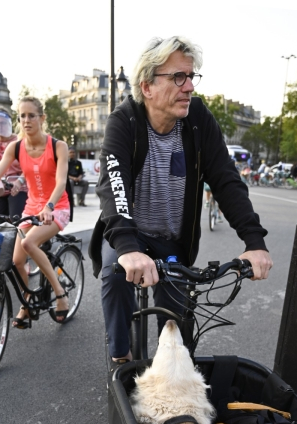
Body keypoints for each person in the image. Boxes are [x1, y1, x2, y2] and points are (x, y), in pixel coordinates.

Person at [88, 35, 273, 366]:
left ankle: (169, 368)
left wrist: (254, 240)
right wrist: (128, 249)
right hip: (129, 234)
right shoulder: (125, 120)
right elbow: (113, 184)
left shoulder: (199, 119)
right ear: (147, 87)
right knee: (115, 276)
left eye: (191, 77)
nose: (189, 86)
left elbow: (226, 180)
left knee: (176, 334)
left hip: (172, 241)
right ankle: (120, 354)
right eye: (178, 77)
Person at [0, 96, 71, 325]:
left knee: (29, 244)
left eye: (31, 115)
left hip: (56, 207)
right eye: (22, 116)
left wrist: (49, 206)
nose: (26, 120)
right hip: (32, 208)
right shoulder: (16, 147)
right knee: (17, 259)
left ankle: (60, 294)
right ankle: (27, 301)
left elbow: (60, 183)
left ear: (42, 118)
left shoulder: (58, 146)